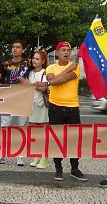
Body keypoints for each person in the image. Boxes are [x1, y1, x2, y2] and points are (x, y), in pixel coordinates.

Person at [46, 41, 87, 182]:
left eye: (68, 50)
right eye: (63, 50)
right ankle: (58, 168)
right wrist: (67, 70)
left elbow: (63, 79)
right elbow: (53, 81)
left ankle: (74, 168)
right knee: (56, 139)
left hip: (72, 107)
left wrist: (64, 73)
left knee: (74, 139)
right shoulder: (51, 67)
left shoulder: (76, 67)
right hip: (55, 107)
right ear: (57, 52)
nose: (66, 52)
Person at [0, 40, 30, 166]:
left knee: (21, 127)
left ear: (23, 50)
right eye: (13, 47)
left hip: (23, 97)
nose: (15, 49)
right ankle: (1, 155)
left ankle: (20, 156)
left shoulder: (28, 63)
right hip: (8, 97)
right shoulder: (5, 64)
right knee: (4, 127)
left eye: (18, 47)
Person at [20, 50, 50, 169]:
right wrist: (30, 84)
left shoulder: (45, 73)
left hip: (42, 105)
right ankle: (36, 156)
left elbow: (44, 89)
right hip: (32, 105)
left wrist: (30, 84)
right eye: (33, 58)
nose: (34, 60)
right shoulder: (30, 73)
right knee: (35, 133)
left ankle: (45, 157)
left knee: (44, 133)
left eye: (37, 59)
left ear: (43, 61)